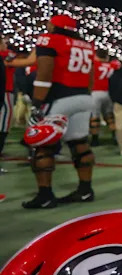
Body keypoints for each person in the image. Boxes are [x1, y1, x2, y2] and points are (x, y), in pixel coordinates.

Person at [17, 14, 97, 208]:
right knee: (80, 144)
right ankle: (85, 190)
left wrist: (37, 103)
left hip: (59, 97)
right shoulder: (86, 45)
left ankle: (45, 195)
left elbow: (44, 72)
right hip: (83, 96)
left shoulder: (50, 39)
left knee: (43, 147)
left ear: (55, 26)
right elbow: (91, 76)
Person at [90, 49, 119, 146]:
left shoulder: (94, 64)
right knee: (110, 116)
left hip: (95, 93)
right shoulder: (112, 65)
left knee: (94, 117)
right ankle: (115, 137)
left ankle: (95, 140)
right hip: (107, 92)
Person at [0, 39, 17, 173]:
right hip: (5, 92)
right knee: (4, 126)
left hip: (6, 91)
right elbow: (13, 57)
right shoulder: (6, 54)